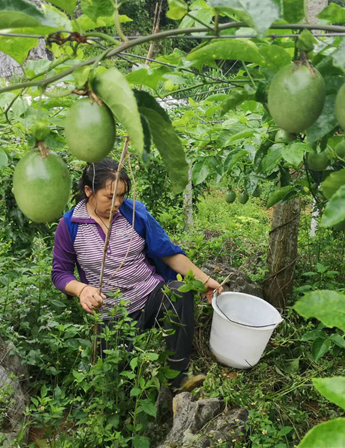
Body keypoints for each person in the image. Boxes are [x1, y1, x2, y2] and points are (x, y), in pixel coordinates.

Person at [51, 158, 222, 392]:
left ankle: (179, 378)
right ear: (88, 191)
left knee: (180, 292)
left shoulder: (134, 213)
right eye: (109, 196)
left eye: (121, 196)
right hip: (112, 312)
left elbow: (168, 253)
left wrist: (205, 280)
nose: (117, 203)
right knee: (119, 379)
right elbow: (60, 273)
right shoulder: (70, 225)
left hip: (150, 297)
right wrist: (82, 289)